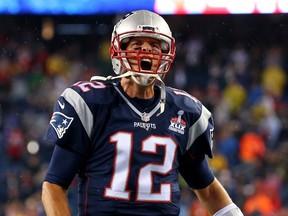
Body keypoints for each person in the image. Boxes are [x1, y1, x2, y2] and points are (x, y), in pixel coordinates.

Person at [41, 9, 244, 216]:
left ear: (165, 55)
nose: (146, 51)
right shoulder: (90, 102)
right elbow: (54, 185)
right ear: (117, 50)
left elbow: (208, 189)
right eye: (137, 45)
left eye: (155, 46)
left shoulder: (185, 111)